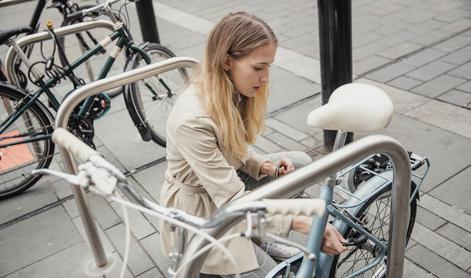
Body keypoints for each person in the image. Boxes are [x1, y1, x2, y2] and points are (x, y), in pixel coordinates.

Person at [159, 11, 347, 277]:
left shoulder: (227, 90)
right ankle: (254, 239)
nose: (265, 77)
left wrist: (266, 166)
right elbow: (233, 202)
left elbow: (233, 149)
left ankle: (259, 234)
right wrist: (300, 221)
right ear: (226, 62)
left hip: (224, 187)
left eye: (268, 66)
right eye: (259, 67)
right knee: (272, 274)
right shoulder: (192, 120)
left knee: (300, 164)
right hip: (201, 210)